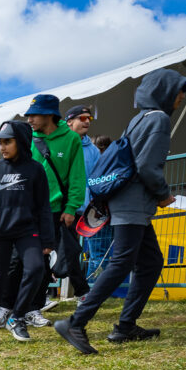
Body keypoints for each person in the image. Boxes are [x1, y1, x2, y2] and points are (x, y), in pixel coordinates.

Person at [55, 68, 186, 354]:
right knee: (121, 263)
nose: (182, 96)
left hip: (128, 202)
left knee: (151, 262)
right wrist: (163, 194)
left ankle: (125, 326)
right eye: (180, 90)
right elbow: (146, 166)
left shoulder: (139, 118)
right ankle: (75, 322)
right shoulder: (158, 119)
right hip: (134, 202)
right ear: (165, 92)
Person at [0, 94, 89, 328]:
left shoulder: (71, 139)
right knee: (15, 261)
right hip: (24, 210)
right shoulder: (26, 137)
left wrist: (71, 208)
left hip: (54, 212)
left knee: (42, 262)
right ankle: (5, 306)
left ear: (50, 114)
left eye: (34, 115)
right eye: (28, 115)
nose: (29, 119)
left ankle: (32, 308)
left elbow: (78, 177)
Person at [0, 121, 55, 348]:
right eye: (0, 142)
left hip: (26, 231)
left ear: (21, 141)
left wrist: (47, 239)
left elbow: (43, 207)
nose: (2, 147)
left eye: (7, 141)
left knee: (36, 268)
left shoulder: (36, 170)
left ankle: (17, 316)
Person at [65, 105, 109, 283]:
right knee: (60, 253)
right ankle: (41, 294)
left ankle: (89, 293)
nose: (87, 122)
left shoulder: (92, 150)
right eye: (82, 118)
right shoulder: (59, 144)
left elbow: (98, 179)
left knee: (97, 254)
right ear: (69, 121)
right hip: (64, 209)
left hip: (89, 210)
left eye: (89, 119)